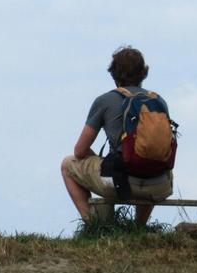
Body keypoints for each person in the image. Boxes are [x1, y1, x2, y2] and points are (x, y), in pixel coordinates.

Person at [61, 46, 173, 225]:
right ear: (143, 73)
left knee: (67, 164)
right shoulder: (158, 101)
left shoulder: (105, 101)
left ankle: (95, 225)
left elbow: (80, 150)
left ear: (114, 74)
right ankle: (139, 227)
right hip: (160, 184)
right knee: (148, 159)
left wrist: (101, 160)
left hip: (121, 183)